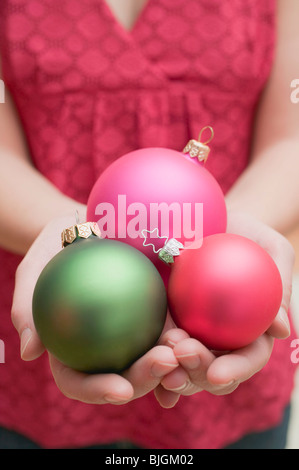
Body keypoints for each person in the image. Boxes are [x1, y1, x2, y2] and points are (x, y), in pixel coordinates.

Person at [0, 0, 298, 449]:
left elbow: (291, 140)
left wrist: (232, 239)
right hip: (71, 309)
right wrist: (75, 234)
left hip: (224, 309)